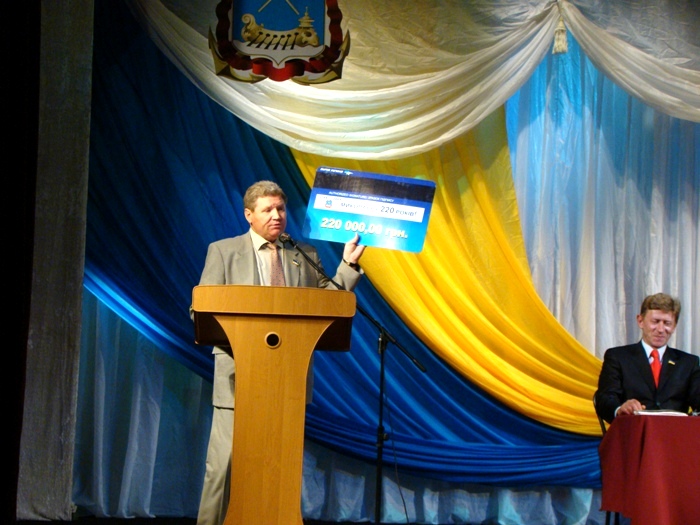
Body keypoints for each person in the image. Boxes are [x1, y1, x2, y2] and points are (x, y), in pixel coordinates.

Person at [193, 180, 365, 525]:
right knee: (224, 466)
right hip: (238, 378)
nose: (277, 216)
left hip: (288, 380)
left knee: (279, 467)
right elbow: (201, 310)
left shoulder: (304, 255)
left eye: (281, 209)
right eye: (268, 209)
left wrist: (347, 265)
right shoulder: (223, 251)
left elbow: (329, 304)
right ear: (249, 215)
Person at [594, 292, 700, 424]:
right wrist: (620, 409)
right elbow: (605, 398)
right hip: (633, 431)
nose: (660, 329)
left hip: (674, 433)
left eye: (667, 323)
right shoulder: (618, 357)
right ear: (640, 321)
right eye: (655, 322)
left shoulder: (689, 363)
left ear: (674, 326)